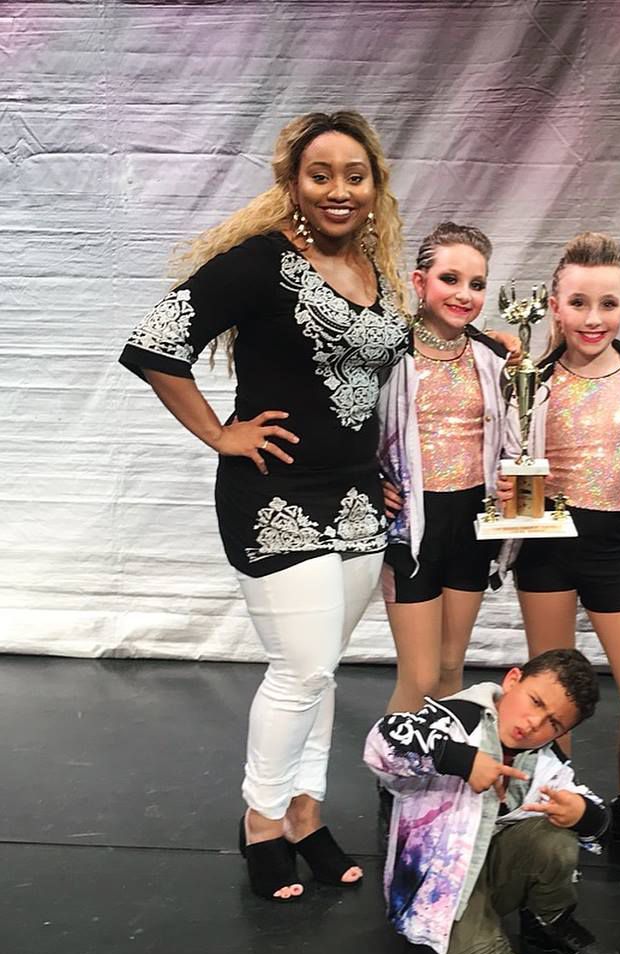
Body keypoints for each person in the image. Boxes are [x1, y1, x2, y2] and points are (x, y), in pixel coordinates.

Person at [117, 110, 413, 901]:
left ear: (375, 186)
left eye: (356, 175)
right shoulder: (258, 264)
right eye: (322, 175)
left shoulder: (381, 274)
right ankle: (260, 821)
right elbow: (154, 343)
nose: (340, 190)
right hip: (275, 497)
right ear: (293, 185)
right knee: (302, 667)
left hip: (356, 502)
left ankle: (306, 814)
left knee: (322, 674)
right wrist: (220, 432)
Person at [496, 232, 620, 877]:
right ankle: (563, 804)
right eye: (578, 303)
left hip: (611, 546)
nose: (592, 318)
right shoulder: (529, 379)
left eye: (607, 304)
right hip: (547, 546)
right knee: (553, 697)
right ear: (553, 305)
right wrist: (508, 482)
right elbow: (497, 445)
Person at [363, 648, 619, 954]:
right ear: (512, 679)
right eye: (534, 702)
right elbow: (382, 742)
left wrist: (584, 814)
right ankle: (452, 943)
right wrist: (462, 760)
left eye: (553, 724)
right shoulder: (453, 720)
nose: (534, 723)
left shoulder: (545, 760)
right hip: (440, 888)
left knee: (557, 836)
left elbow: (600, 818)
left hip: (491, 868)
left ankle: (546, 921)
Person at [378, 222, 508, 711]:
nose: (464, 294)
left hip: (473, 521)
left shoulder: (492, 356)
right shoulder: (389, 354)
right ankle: (393, 779)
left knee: (452, 666)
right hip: (412, 526)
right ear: (419, 283)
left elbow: (512, 433)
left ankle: (442, 781)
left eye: (476, 284)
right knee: (420, 673)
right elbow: (347, 426)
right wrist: (368, 481)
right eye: (450, 279)